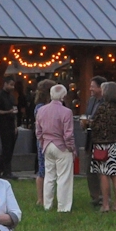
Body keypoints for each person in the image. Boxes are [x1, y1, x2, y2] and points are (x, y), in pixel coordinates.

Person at [36, 83, 76, 212]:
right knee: (63, 178)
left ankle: (47, 205)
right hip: (61, 146)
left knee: (49, 176)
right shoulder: (67, 112)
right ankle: (63, 207)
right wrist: (71, 148)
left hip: (47, 145)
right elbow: (68, 134)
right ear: (63, 96)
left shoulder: (41, 110)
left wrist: (43, 143)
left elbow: (38, 131)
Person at [90, 82, 116, 212]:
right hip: (114, 143)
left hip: (101, 145)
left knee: (103, 174)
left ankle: (105, 204)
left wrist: (88, 124)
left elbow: (95, 125)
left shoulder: (102, 107)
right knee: (115, 173)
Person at [0, 74, 20, 180]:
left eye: (13, 85)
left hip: (12, 124)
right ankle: (5, 170)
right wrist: (8, 112)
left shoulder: (11, 97)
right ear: (5, 84)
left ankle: (1, 169)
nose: (12, 87)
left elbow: (14, 111)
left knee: (10, 149)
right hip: (3, 125)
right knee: (6, 148)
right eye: (11, 85)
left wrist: (16, 126)